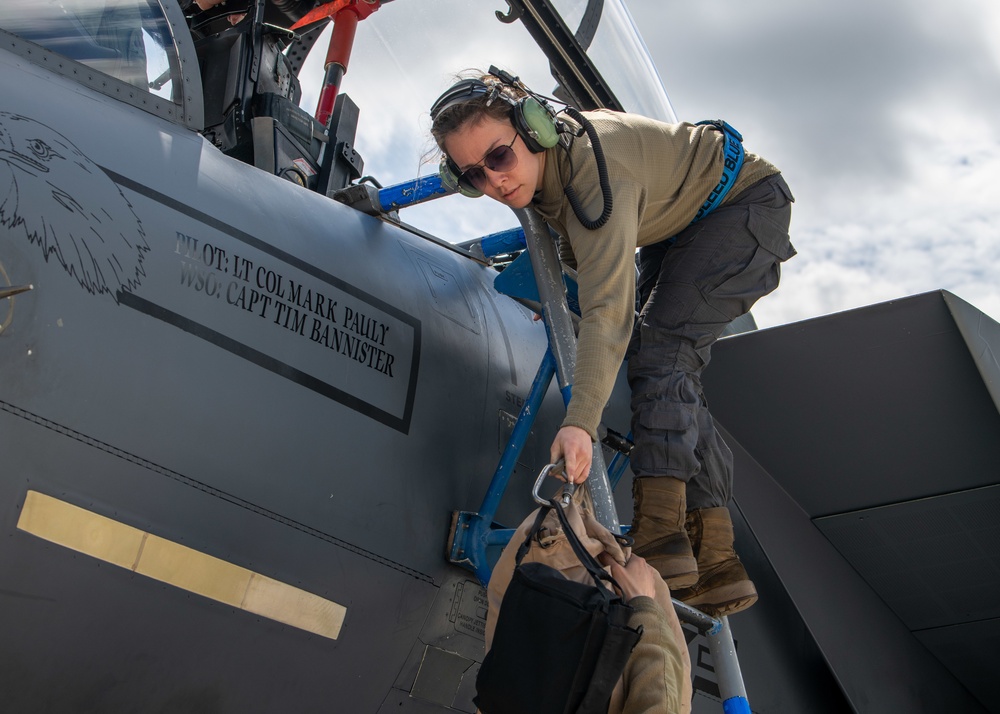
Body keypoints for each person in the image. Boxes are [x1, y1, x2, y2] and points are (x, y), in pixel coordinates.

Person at [430, 68, 795, 617]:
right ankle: (717, 559)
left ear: (535, 132)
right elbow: (591, 282)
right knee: (667, 365)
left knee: (663, 350)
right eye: (473, 176)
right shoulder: (544, 181)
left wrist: (579, 422)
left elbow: (608, 309)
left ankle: (660, 537)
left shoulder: (596, 171)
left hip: (742, 205)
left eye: (499, 157)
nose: (494, 183)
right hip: (678, 225)